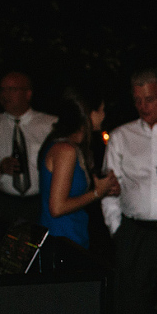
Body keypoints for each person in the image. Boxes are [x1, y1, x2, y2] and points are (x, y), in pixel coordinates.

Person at [101, 68, 157, 314]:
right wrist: (117, 229)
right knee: (132, 309)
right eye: (137, 100)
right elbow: (109, 188)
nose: (142, 106)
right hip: (134, 233)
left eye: (149, 99)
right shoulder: (121, 136)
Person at [0, 71, 57, 239]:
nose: (5, 95)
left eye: (12, 89)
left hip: (39, 203)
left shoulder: (50, 125)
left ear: (28, 94)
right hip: (2, 205)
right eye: (2, 90)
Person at [37, 93, 120, 249]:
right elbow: (57, 207)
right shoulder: (65, 150)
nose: (104, 115)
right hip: (61, 240)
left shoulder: (74, 147)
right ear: (87, 114)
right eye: (101, 110)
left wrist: (105, 189)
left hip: (73, 236)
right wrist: (96, 193)